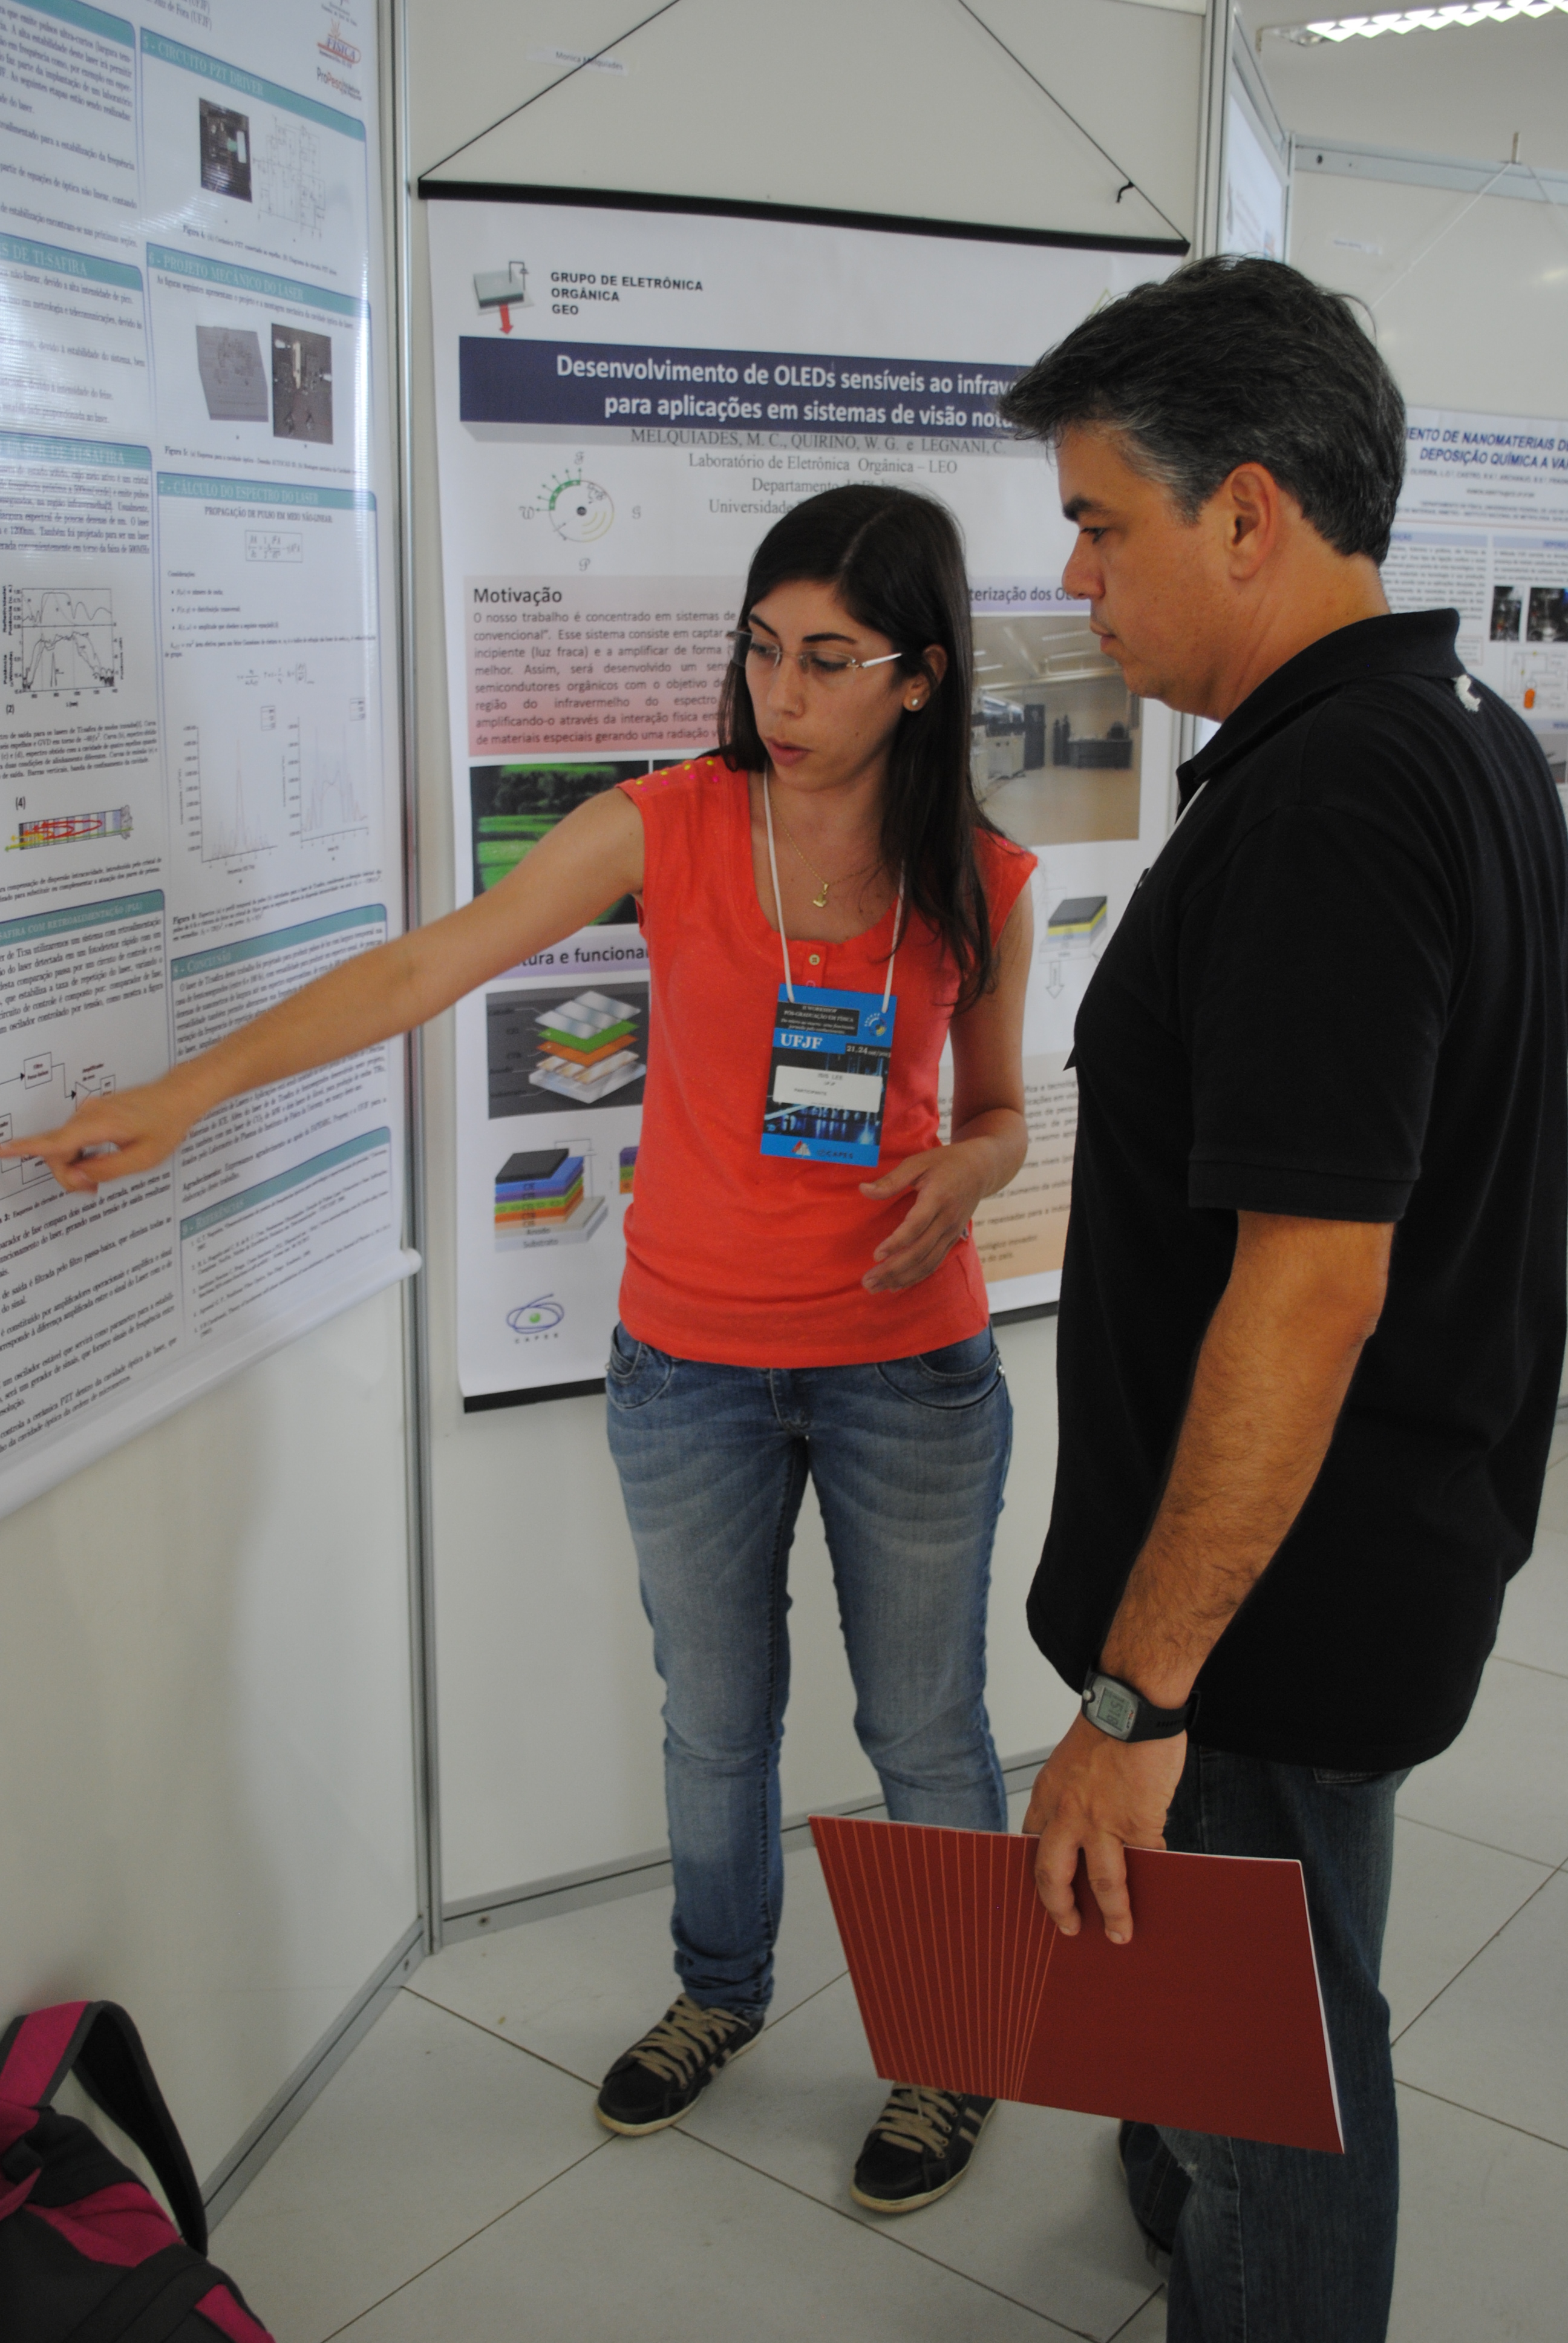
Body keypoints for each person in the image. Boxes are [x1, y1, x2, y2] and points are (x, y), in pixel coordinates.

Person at [5, 485, 1036, 2217]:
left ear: (921, 677)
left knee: (925, 1728)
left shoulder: (977, 876)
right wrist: (191, 1091)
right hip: (688, 1365)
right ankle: (720, 1992)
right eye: (762, 650)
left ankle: (955, 2044)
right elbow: (426, 969)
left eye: (830, 659)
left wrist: (977, 1166)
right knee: (714, 1722)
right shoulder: (667, 823)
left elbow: (1000, 1108)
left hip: (907, 1370)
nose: (782, 693)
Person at [999, 257, 1567, 2342]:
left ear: (1246, 512)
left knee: (1282, 2089)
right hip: (1381, 1541)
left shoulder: (1337, 797)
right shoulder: (1454, 734)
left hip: (1272, 1611)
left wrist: (1137, 1704)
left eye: (1100, 523)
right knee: (1252, 2020)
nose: (1077, 578)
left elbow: (1313, 1286)